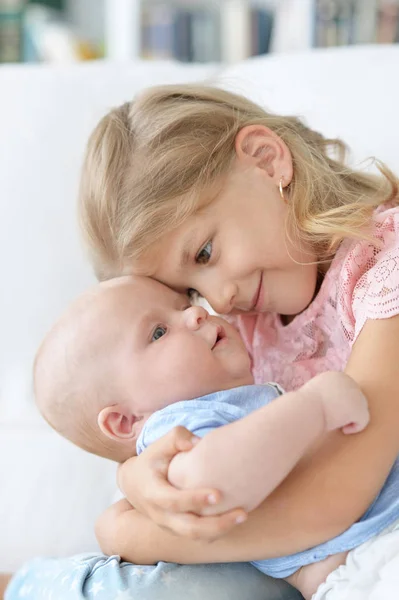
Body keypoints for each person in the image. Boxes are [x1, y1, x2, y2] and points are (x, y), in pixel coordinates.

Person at [5, 83, 399, 599]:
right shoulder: (249, 332)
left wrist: (128, 531)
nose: (219, 300)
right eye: (190, 292)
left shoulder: (381, 265)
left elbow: (333, 501)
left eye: (206, 252)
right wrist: (132, 484)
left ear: (266, 160)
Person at [32, 274, 369, 599]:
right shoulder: (175, 426)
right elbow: (209, 484)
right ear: (125, 420)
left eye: (184, 304)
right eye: (159, 332)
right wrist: (316, 407)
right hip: (356, 562)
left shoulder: (227, 398)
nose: (197, 314)